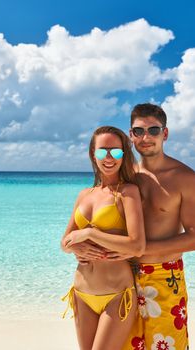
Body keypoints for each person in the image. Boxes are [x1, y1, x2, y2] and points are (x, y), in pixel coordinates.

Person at [73, 103, 195, 349]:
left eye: (153, 130)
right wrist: (82, 247)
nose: (146, 137)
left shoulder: (184, 177)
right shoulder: (126, 177)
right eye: (139, 131)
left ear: (166, 133)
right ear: (130, 136)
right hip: (122, 278)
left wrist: (140, 249)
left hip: (163, 277)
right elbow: (102, 217)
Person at [61, 126, 146, 350]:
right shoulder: (84, 194)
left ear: (124, 155)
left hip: (116, 296)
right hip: (82, 293)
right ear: (92, 154)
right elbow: (64, 242)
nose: (109, 158)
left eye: (116, 152)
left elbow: (137, 245)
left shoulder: (128, 192)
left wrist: (90, 233)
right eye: (102, 152)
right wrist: (75, 249)